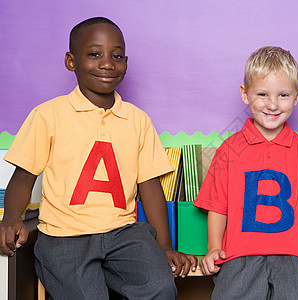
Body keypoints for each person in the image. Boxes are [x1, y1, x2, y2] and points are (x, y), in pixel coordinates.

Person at [0, 17, 196, 299]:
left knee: (160, 288)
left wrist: (164, 245)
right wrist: (11, 217)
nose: (107, 63)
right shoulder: (48, 115)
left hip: (125, 234)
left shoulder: (138, 120)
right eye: (94, 54)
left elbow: (150, 187)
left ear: (126, 62)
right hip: (64, 236)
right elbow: (23, 177)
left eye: (117, 56)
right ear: (71, 61)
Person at [194, 46, 298, 299]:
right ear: (245, 94)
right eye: (262, 94)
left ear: (297, 96)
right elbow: (217, 206)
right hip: (239, 255)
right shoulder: (228, 149)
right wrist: (214, 247)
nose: (272, 105)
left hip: (292, 256)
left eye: (283, 95)